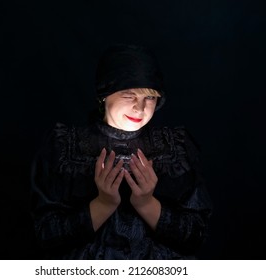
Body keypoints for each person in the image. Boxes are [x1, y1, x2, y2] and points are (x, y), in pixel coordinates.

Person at [30, 43, 212, 259]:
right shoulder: (64, 148)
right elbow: (45, 236)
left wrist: (147, 204)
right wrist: (103, 204)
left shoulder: (175, 148)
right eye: (129, 95)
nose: (140, 108)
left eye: (150, 98)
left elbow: (196, 237)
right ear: (104, 95)